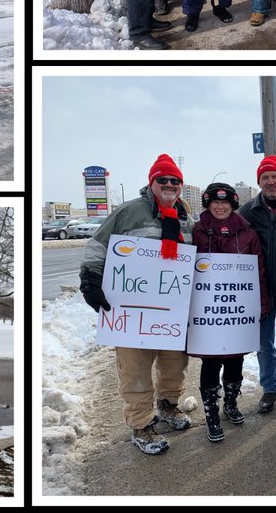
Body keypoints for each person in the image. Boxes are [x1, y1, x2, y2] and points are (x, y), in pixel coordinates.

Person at [79, 155, 193, 454]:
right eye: (163, 180)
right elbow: (98, 245)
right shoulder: (130, 211)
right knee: (135, 369)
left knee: (174, 365)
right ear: (151, 182)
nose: (169, 185)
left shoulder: (185, 217)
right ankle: (142, 424)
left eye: (175, 181)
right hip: (132, 311)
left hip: (170, 312)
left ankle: (168, 406)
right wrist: (90, 279)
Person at [191, 182, 269, 442]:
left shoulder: (247, 233)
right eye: (215, 202)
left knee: (236, 361)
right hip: (210, 313)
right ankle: (211, 412)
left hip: (237, 311)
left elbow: (258, 270)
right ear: (208, 204)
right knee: (210, 362)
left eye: (225, 202)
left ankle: (231, 403)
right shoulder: (198, 231)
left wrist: (262, 304)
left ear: (233, 204)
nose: (220, 206)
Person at [237, 155, 276, 412]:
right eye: (265, 178)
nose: (270, 182)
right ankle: (269, 388)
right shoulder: (248, 211)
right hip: (259, 290)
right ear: (259, 181)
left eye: (274, 177)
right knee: (264, 345)